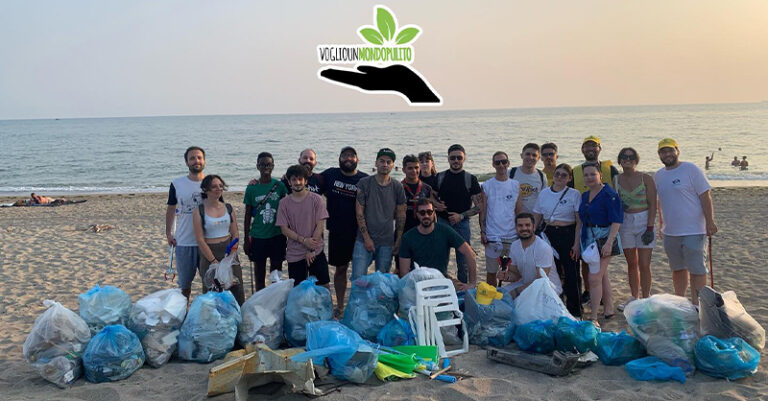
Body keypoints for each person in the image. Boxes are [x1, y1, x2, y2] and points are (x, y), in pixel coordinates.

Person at [655, 138, 718, 306]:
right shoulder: (659, 175)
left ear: (677, 151)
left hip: (694, 230)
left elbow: (705, 196)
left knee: (697, 270)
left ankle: (699, 305)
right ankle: (681, 303)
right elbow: (661, 202)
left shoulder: (691, 169)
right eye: (663, 151)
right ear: (659, 154)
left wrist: (710, 222)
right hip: (670, 232)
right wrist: (661, 224)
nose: (667, 154)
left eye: (670, 150)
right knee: (677, 269)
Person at [570, 135, 620, 304]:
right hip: (584, 223)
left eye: (594, 146)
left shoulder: (610, 169)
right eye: (587, 146)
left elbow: (617, 193)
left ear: (600, 148)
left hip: (606, 224)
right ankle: (591, 292)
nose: (590, 149)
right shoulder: (575, 171)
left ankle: (603, 299)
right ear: (582, 149)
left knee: (601, 268)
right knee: (588, 262)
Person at [320, 146, 368, 315]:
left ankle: (358, 306)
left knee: (360, 272)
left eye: (351, 156)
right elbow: (307, 180)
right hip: (337, 231)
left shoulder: (365, 179)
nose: (348, 158)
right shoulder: (330, 174)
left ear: (357, 159)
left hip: (360, 233)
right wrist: (285, 177)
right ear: (339, 159)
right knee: (340, 269)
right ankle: (340, 306)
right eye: (344, 155)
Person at [575, 162, 623, 326]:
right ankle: (608, 309)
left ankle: (594, 316)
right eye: (586, 175)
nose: (589, 177)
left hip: (603, 237)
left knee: (594, 277)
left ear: (600, 175)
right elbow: (580, 221)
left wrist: (609, 243)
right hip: (588, 237)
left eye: (592, 174)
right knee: (602, 275)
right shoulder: (584, 195)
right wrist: (576, 244)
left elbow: (616, 220)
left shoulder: (610, 194)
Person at [532, 163, 582, 317]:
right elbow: (537, 216)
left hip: (568, 234)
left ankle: (575, 310)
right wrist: (533, 236)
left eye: (564, 175)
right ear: (553, 176)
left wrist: (576, 243)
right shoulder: (544, 193)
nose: (559, 177)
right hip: (549, 234)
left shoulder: (574, 194)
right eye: (557, 174)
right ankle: (555, 307)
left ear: (569, 178)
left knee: (571, 273)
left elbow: (579, 221)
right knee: (552, 272)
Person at [398, 199, 478, 290]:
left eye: (429, 212)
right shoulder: (408, 237)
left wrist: (472, 283)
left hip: (442, 279)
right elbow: (404, 272)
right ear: (417, 214)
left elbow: (470, 253)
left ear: (434, 213)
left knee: (465, 295)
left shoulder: (445, 231)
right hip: (418, 281)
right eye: (422, 212)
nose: (426, 215)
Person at [352, 148, 406, 279]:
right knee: (358, 278)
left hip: (386, 242)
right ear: (376, 163)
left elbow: (401, 215)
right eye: (382, 161)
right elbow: (359, 212)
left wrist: (398, 240)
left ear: (393, 165)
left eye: (389, 162)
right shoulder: (364, 183)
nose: (385, 164)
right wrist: (367, 238)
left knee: (382, 281)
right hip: (363, 240)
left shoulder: (397, 186)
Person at [433, 144, 483, 284]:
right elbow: (431, 197)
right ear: (448, 159)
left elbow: (479, 206)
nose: (456, 160)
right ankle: (441, 287)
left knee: (463, 262)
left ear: (464, 158)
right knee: (441, 259)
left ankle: (463, 289)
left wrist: (461, 216)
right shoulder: (440, 177)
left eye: (459, 158)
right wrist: (436, 205)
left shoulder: (470, 179)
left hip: (462, 224)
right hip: (442, 223)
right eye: (453, 158)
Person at [192, 175, 245, 305]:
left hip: (229, 251)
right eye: (214, 186)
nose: (218, 189)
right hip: (209, 252)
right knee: (212, 291)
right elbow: (199, 239)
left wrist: (232, 252)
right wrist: (213, 261)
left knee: (236, 288)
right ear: (206, 189)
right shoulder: (199, 210)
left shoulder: (228, 207)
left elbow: (235, 233)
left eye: (221, 186)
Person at [615, 148, 657, 311]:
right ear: (619, 160)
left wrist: (650, 227)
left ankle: (646, 298)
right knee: (631, 263)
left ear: (636, 159)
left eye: (631, 157)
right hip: (625, 223)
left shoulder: (645, 178)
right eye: (624, 157)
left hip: (644, 220)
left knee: (645, 264)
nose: (627, 159)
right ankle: (634, 296)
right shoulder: (616, 179)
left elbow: (653, 204)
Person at [275, 165, 331, 288]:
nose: (298, 182)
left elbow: (320, 225)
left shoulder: (316, 199)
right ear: (289, 182)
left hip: (316, 249)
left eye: (300, 179)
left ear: (305, 181)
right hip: (295, 252)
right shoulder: (284, 203)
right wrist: (304, 241)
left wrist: (311, 249)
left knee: (324, 286)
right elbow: (284, 229)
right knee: (298, 290)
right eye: (294, 179)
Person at [166, 146, 207, 300]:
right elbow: (171, 209)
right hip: (184, 242)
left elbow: (221, 209)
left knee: (208, 284)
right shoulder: (177, 184)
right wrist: (168, 233)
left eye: (199, 157)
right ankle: (183, 314)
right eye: (192, 158)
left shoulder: (211, 183)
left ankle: (206, 313)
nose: (196, 161)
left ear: (204, 160)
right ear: (186, 162)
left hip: (207, 242)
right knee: (184, 287)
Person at [243, 152, 288, 291]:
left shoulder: (279, 186)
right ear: (258, 166)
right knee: (259, 273)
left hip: (277, 235)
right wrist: (246, 239)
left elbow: (288, 205)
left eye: (268, 164)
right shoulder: (251, 188)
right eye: (262, 164)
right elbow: (247, 214)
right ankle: (260, 301)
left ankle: (275, 299)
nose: (265, 167)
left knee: (276, 273)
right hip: (258, 236)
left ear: (273, 166)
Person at [479, 151, 522, 285]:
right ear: (493, 165)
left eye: (504, 162)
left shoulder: (515, 185)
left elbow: (518, 211)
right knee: (492, 272)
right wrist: (483, 231)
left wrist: (520, 232)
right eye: (497, 162)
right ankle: (492, 298)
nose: (501, 165)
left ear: (508, 163)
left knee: (513, 270)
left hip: (511, 235)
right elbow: (483, 211)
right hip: (493, 236)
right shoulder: (487, 185)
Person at [497, 213, 563, 298]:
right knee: (498, 295)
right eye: (520, 225)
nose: (524, 228)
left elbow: (541, 281)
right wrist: (507, 276)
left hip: (547, 290)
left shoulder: (543, 248)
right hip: (525, 284)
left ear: (534, 227)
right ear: (516, 228)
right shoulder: (514, 246)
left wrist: (517, 291)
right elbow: (515, 274)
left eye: (527, 225)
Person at [509, 143, 548, 214]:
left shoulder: (542, 176)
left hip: (533, 220)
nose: (530, 157)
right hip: (513, 219)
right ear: (521, 155)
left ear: (539, 158)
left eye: (534, 155)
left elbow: (543, 200)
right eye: (528, 154)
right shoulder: (511, 173)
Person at [402, 154, 434, 233]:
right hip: (404, 230)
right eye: (410, 168)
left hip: (424, 229)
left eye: (416, 167)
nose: (414, 171)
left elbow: (432, 212)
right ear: (403, 170)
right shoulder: (398, 188)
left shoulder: (427, 188)